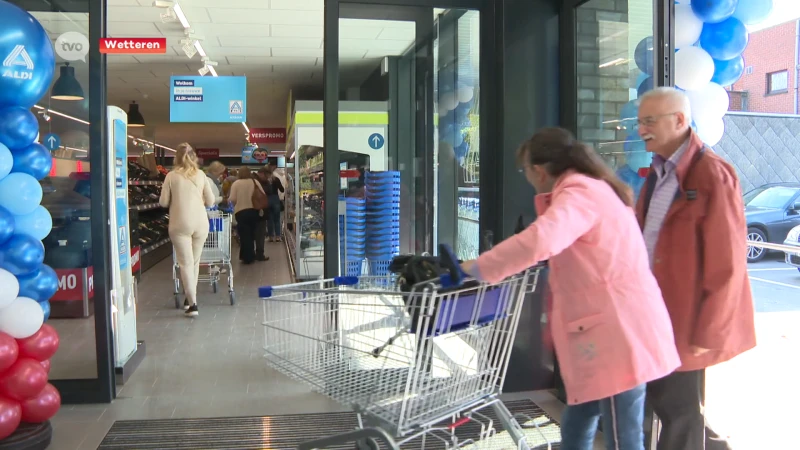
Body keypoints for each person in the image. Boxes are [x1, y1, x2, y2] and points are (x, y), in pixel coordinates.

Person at [459, 127, 681, 450]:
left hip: (617, 335)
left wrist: (475, 270)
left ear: (539, 170)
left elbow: (542, 239)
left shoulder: (580, 193)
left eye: (525, 170)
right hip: (610, 329)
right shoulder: (595, 188)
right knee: (580, 415)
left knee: (623, 435)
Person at [635, 87, 756, 450]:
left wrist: (712, 330)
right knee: (666, 405)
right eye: (640, 121)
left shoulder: (712, 174)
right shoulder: (656, 174)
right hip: (652, 316)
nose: (641, 129)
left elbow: (728, 262)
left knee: (679, 411)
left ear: (679, 120)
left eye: (650, 121)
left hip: (685, 322)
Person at [159, 143, 215, 317]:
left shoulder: (171, 176)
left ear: (176, 157)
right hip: (200, 223)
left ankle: (193, 304)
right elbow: (211, 201)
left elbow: (162, 202)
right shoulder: (201, 175)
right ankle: (190, 298)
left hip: (179, 223)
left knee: (185, 263)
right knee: (195, 262)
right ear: (194, 157)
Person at [228, 167, 266, 264]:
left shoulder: (236, 184)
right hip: (254, 211)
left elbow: (232, 199)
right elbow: (263, 194)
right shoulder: (254, 182)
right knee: (252, 233)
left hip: (241, 212)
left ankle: (247, 257)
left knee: (244, 235)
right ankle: (249, 255)